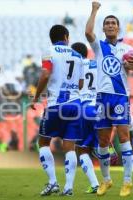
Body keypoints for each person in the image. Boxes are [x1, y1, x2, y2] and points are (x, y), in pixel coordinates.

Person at [85, 1, 133, 197]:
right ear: (103, 28)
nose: (111, 25)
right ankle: (106, 180)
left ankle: (127, 182)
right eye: (108, 23)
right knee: (103, 141)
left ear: (118, 27)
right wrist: (95, 10)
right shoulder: (99, 46)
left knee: (123, 138)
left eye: (114, 23)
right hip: (102, 98)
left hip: (120, 98)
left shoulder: (128, 50)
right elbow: (88, 33)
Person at [30, 24, 84, 196]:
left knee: (44, 142)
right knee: (70, 146)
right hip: (75, 104)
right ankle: (68, 187)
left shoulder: (49, 52)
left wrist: (36, 96)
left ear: (51, 38)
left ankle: (53, 182)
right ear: (66, 37)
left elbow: (45, 74)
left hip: (55, 104)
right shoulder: (77, 55)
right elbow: (81, 84)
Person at [71, 42, 99, 194]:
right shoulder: (97, 64)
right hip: (98, 108)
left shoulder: (74, 66)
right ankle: (103, 147)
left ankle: (95, 184)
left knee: (82, 150)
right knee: (100, 142)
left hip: (82, 108)